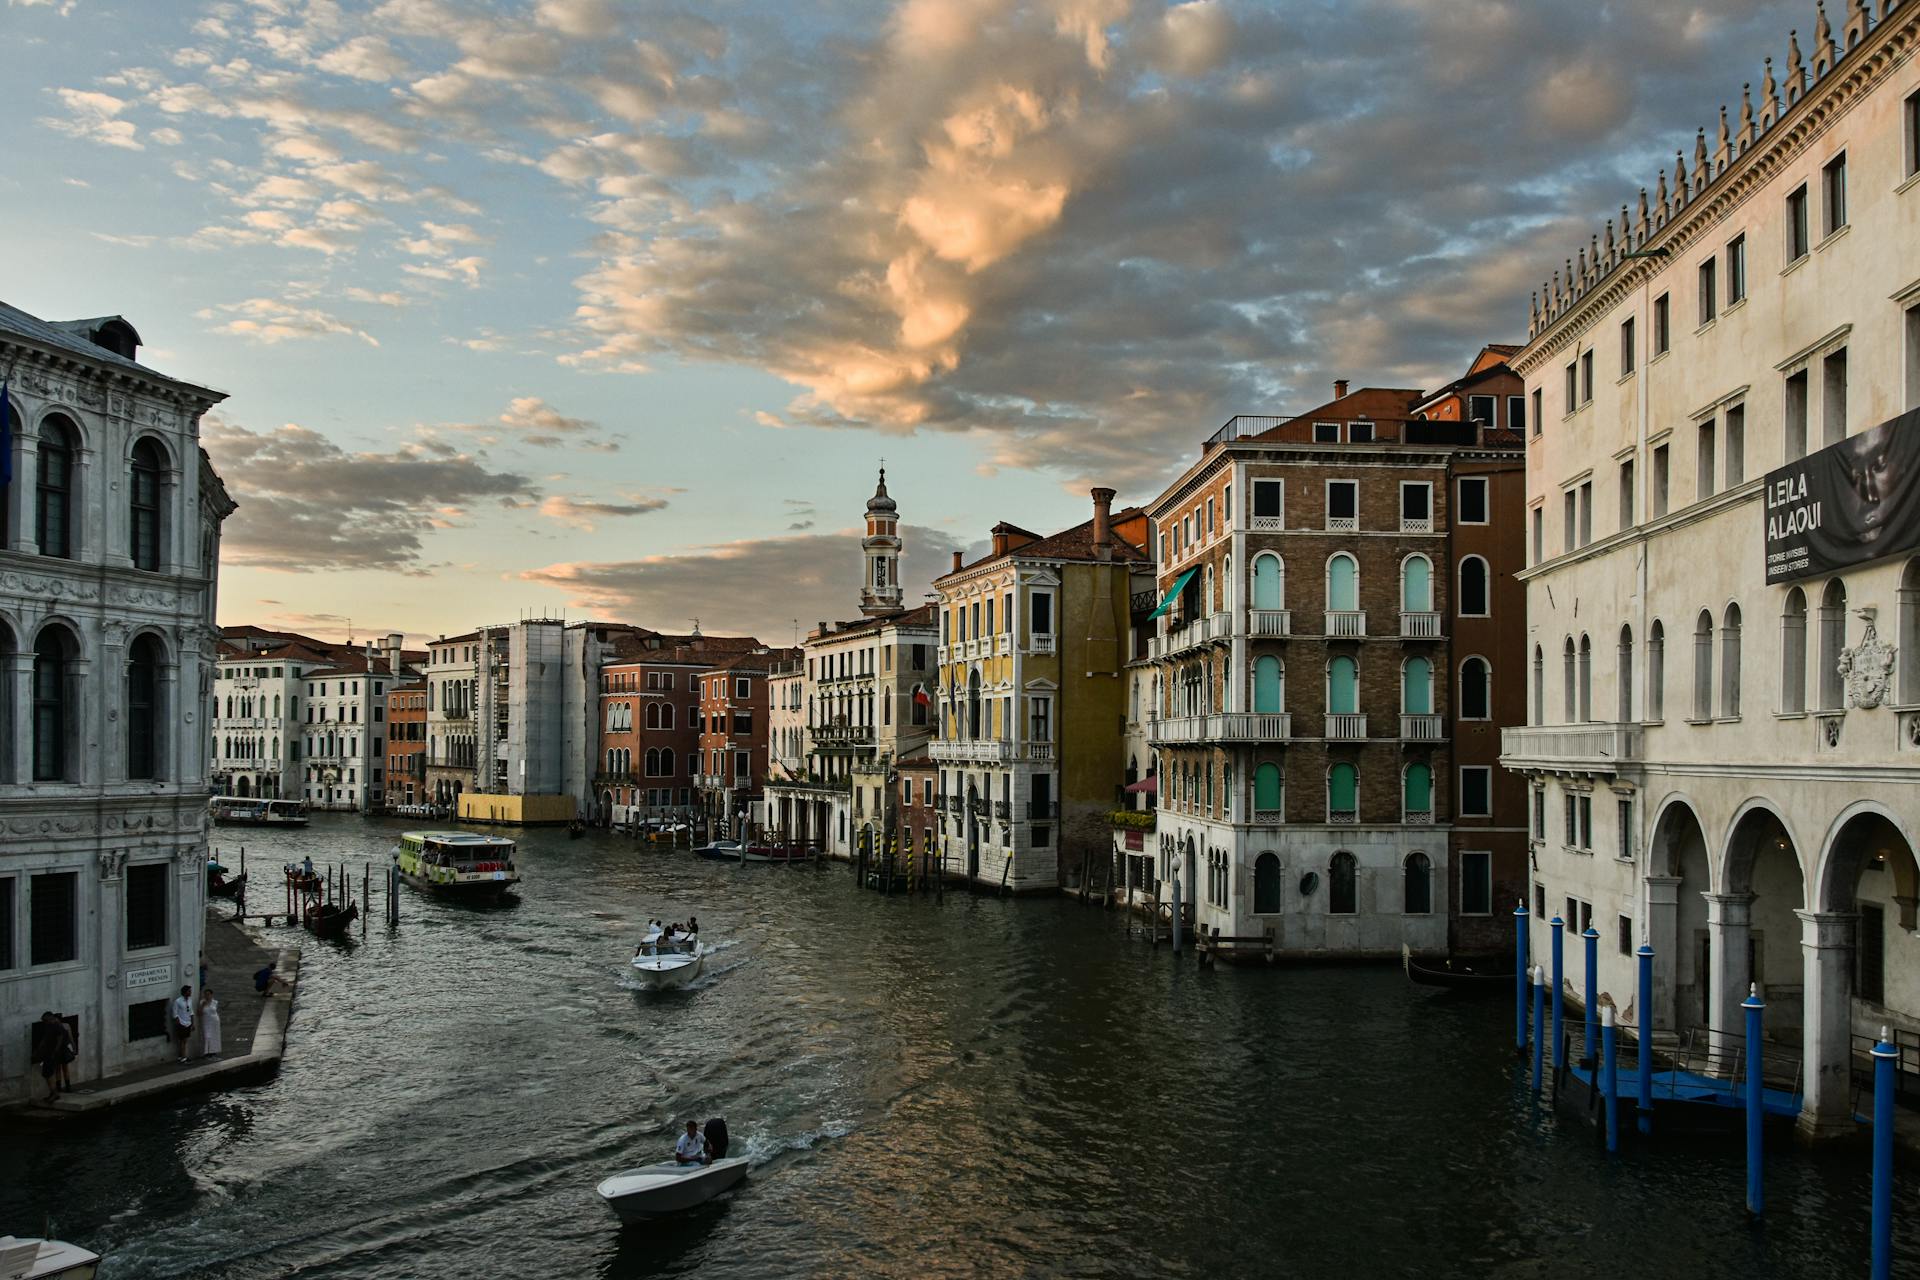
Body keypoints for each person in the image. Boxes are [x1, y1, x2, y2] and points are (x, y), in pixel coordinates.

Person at [37, 1012, 74, 1102]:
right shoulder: (54, 1026)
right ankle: (59, 1089)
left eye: (45, 1020)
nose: (44, 1022)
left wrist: (55, 1051)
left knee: (54, 1071)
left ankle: (56, 1091)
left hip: (55, 1053)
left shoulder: (57, 1026)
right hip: (53, 1053)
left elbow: (61, 1039)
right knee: (55, 1071)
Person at [170, 985, 195, 1063]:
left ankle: (182, 1056)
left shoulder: (190, 1000)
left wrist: (192, 1023)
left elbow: (191, 1012)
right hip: (181, 1023)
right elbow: (175, 1014)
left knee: (184, 1040)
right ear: (185, 992)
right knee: (183, 1040)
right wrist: (179, 1023)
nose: (190, 992)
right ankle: (184, 1057)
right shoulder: (178, 1001)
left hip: (188, 1023)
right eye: (189, 991)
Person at [197, 987, 222, 1059]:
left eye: (208, 994)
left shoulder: (215, 1002)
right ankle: (206, 1052)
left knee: (215, 1036)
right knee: (207, 1036)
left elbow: (215, 1011)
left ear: (211, 995)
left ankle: (213, 1051)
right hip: (206, 1021)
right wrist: (202, 1005)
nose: (207, 996)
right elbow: (199, 1013)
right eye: (205, 994)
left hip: (214, 1021)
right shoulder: (202, 1002)